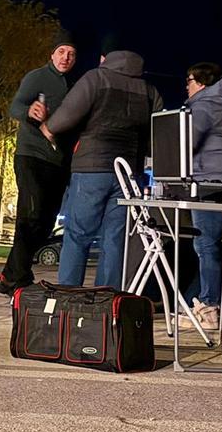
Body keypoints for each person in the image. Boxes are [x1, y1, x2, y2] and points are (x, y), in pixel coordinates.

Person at [41, 34, 163, 289]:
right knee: (114, 240)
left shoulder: (96, 78)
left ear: (105, 58)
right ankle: (106, 302)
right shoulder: (149, 91)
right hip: (129, 176)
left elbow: (67, 115)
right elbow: (157, 135)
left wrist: (48, 127)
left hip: (92, 169)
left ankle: (69, 295)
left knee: (78, 235)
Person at [0, 36, 78, 296]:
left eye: (71, 54)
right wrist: (30, 111)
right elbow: (14, 107)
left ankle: (11, 275)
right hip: (31, 156)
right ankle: (15, 276)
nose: (65, 57)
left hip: (59, 162)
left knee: (45, 222)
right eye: (61, 51)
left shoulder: (75, 86)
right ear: (52, 54)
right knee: (30, 215)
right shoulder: (37, 77)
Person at [180, 62, 222, 330]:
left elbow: (186, 144)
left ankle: (209, 307)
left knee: (206, 245)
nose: (186, 86)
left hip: (208, 182)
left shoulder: (202, 106)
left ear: (200, 82)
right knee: (216, 245)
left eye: (188, 80)